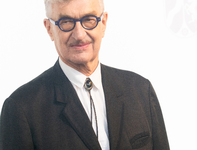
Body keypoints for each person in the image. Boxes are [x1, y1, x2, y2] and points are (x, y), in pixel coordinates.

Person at [0, 0, 170, 149]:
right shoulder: (21, 108)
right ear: (49, 29)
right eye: (66, 22)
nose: (79, 35)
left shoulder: (141, 91)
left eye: (89, 20)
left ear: (103, 23)